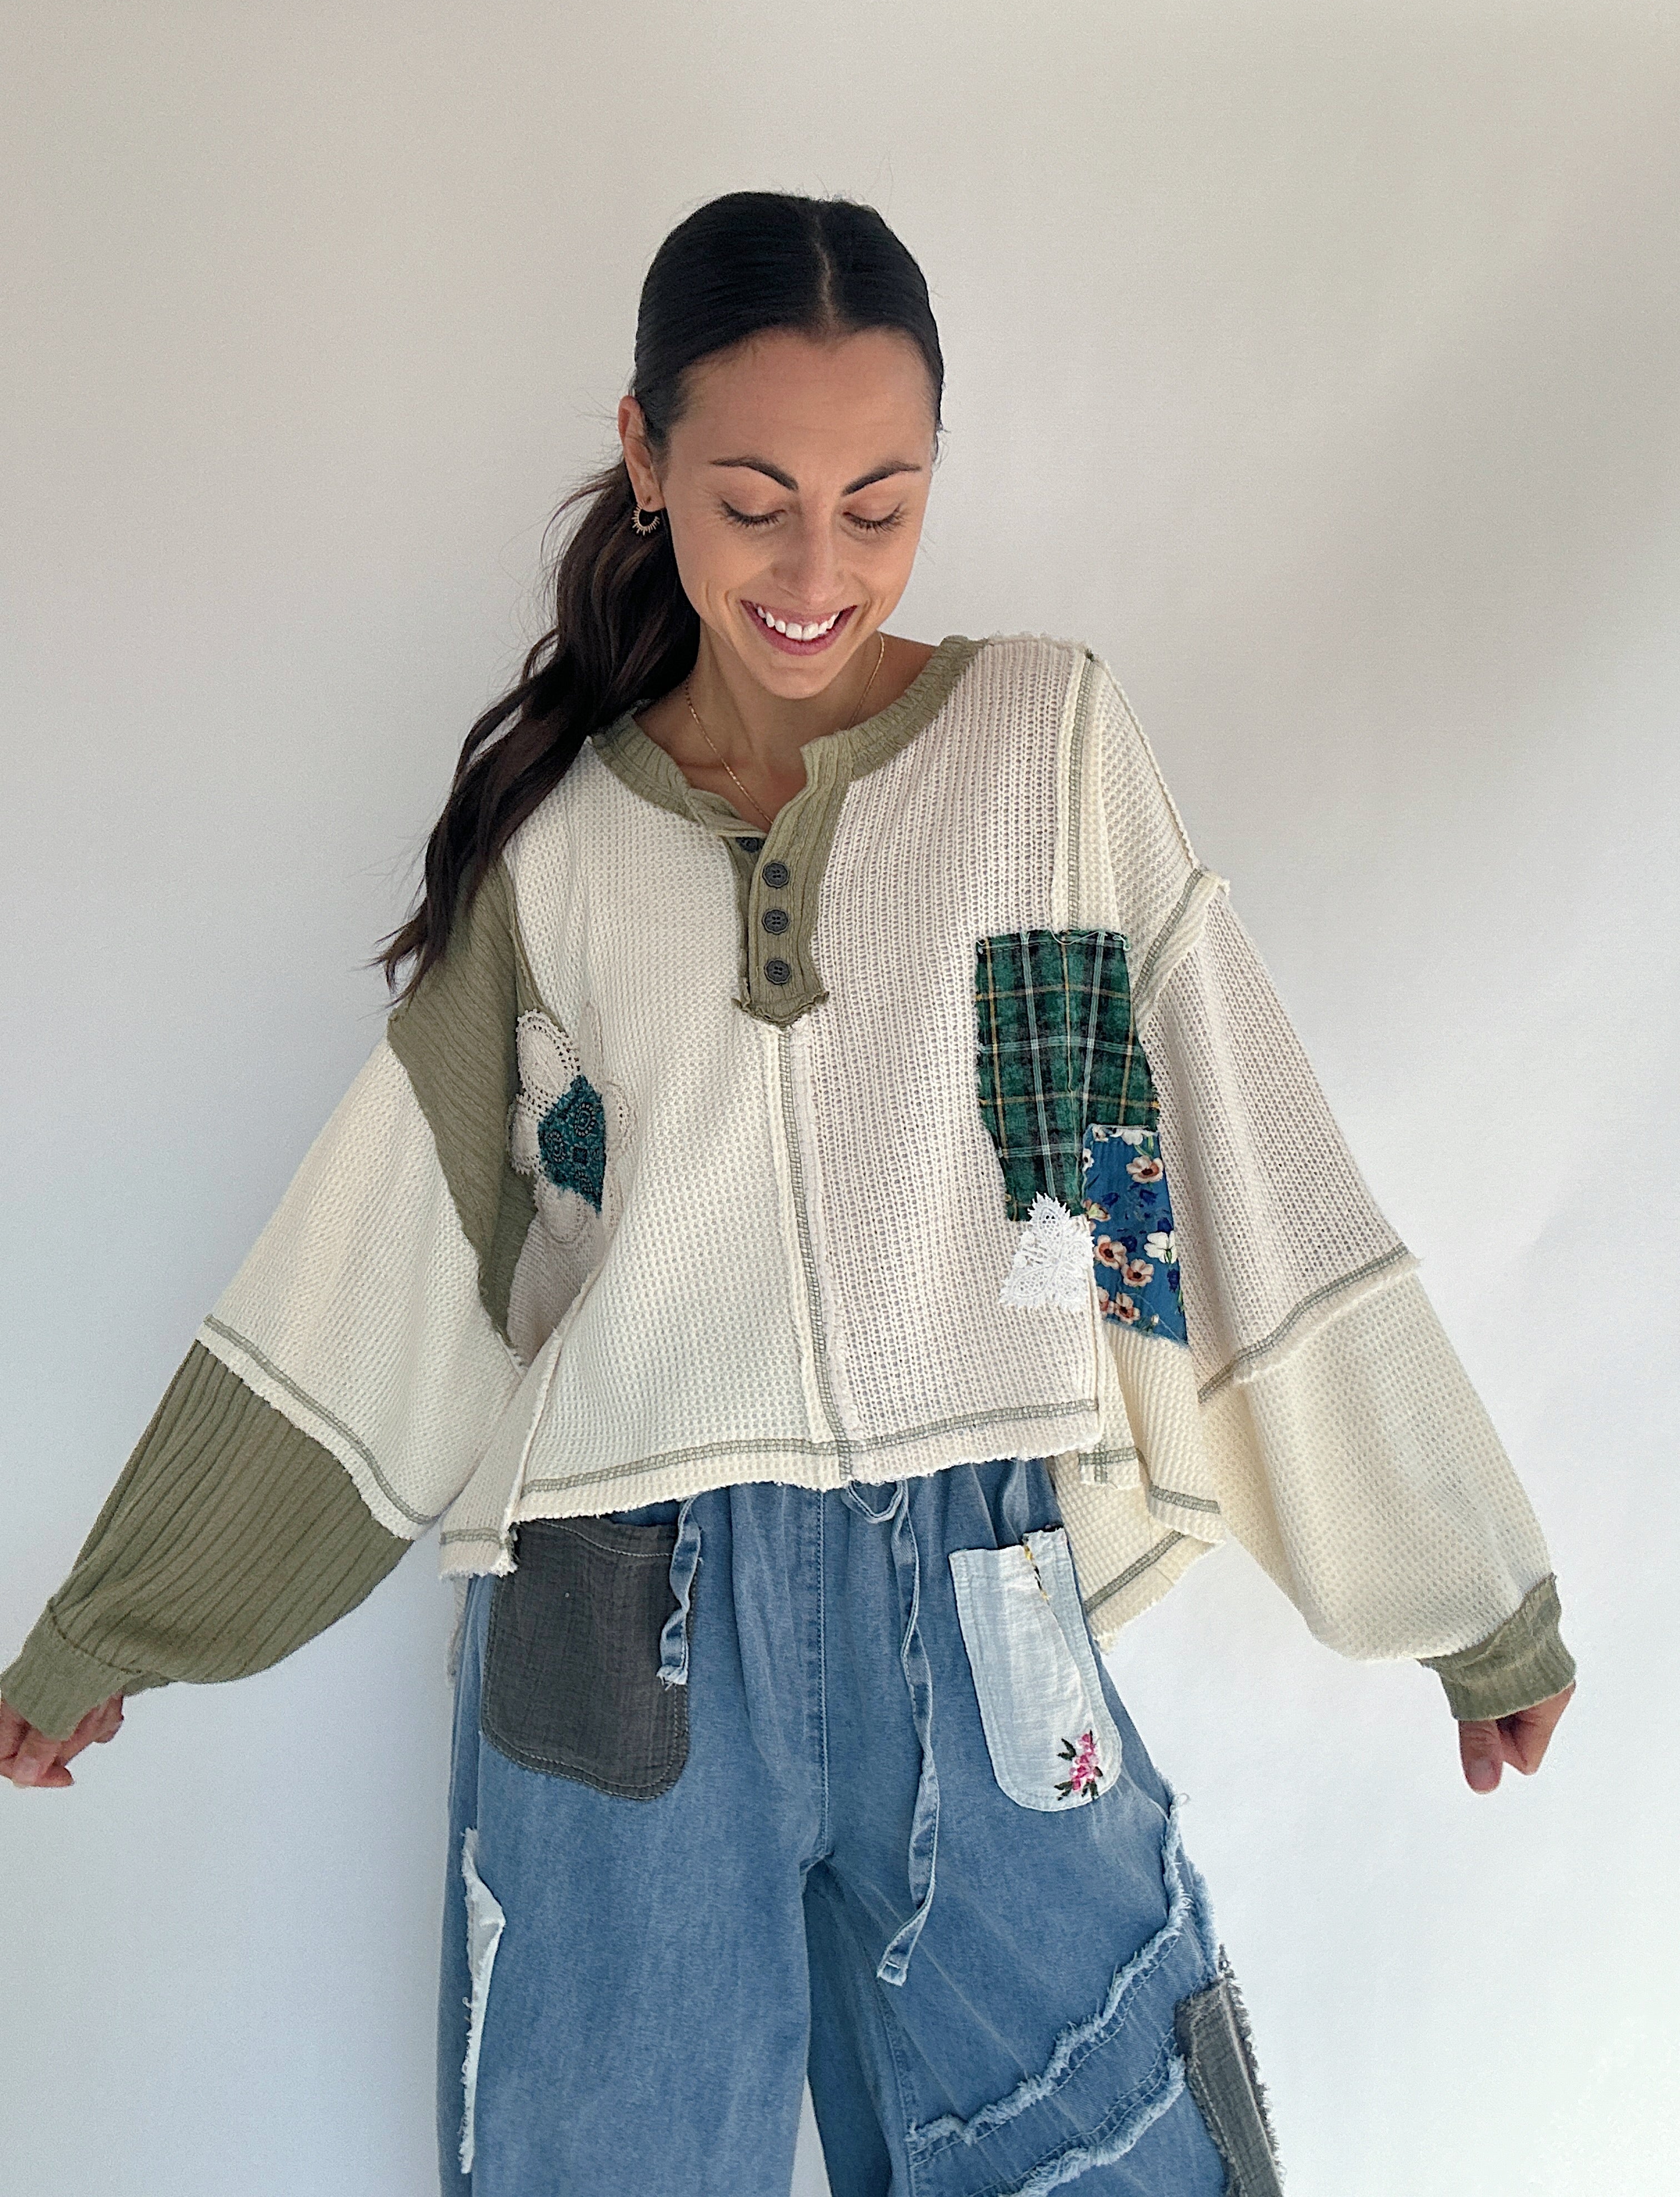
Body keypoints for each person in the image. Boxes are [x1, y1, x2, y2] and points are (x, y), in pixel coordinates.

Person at [1, 190, 1573, 2196]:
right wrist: (121, 1623)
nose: (817, 568)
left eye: (881, 502)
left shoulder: (1049, 752)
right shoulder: (555, 858)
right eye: (755, 500)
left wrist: (1468, 1592)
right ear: (646, 459)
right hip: (614, 1635)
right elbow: (376, 1269)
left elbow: (1236, 1168)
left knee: (1122, 2151)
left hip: (982, 1601)